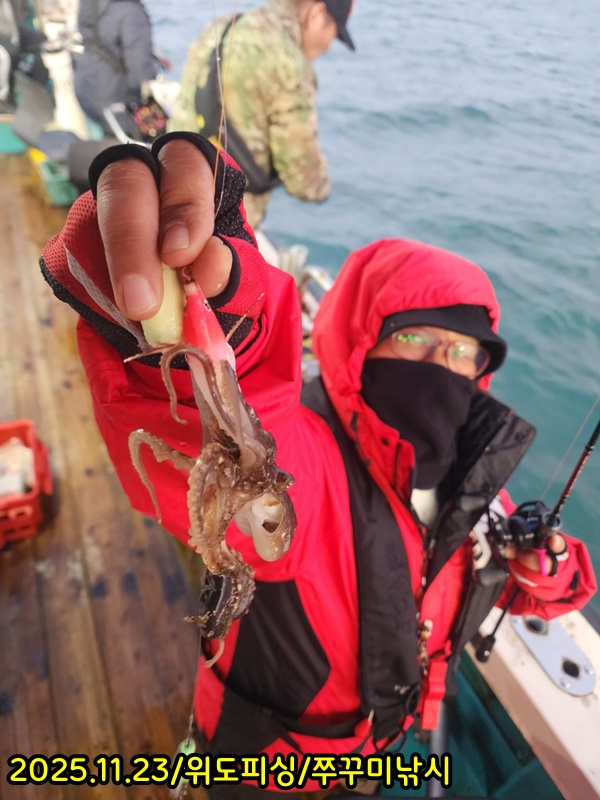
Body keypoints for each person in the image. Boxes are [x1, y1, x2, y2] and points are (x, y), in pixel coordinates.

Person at [40, 135, 596, 798]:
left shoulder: (465, 477)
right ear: (362, 342)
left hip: (382, 750)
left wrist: (547, 570)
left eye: (462, 352)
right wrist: (215, 326)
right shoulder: (310, 454)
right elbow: (241, 439)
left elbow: (485, 584)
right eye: (413, 337)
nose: (440, 366)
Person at [169, 0, 355, 230]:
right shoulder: (289, 62)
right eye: (333, 33)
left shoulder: (222, 26)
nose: (327, 48)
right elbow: (301, 178)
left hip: (172, 187)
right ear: (316, 13)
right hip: (222, 222)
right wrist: (321, 187)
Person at [74, 0, 169, 135]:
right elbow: (140, 76)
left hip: (85, 89)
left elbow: (102, 39)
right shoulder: (132, 13)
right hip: (112, 104)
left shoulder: (91, 3)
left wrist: (152, 56)